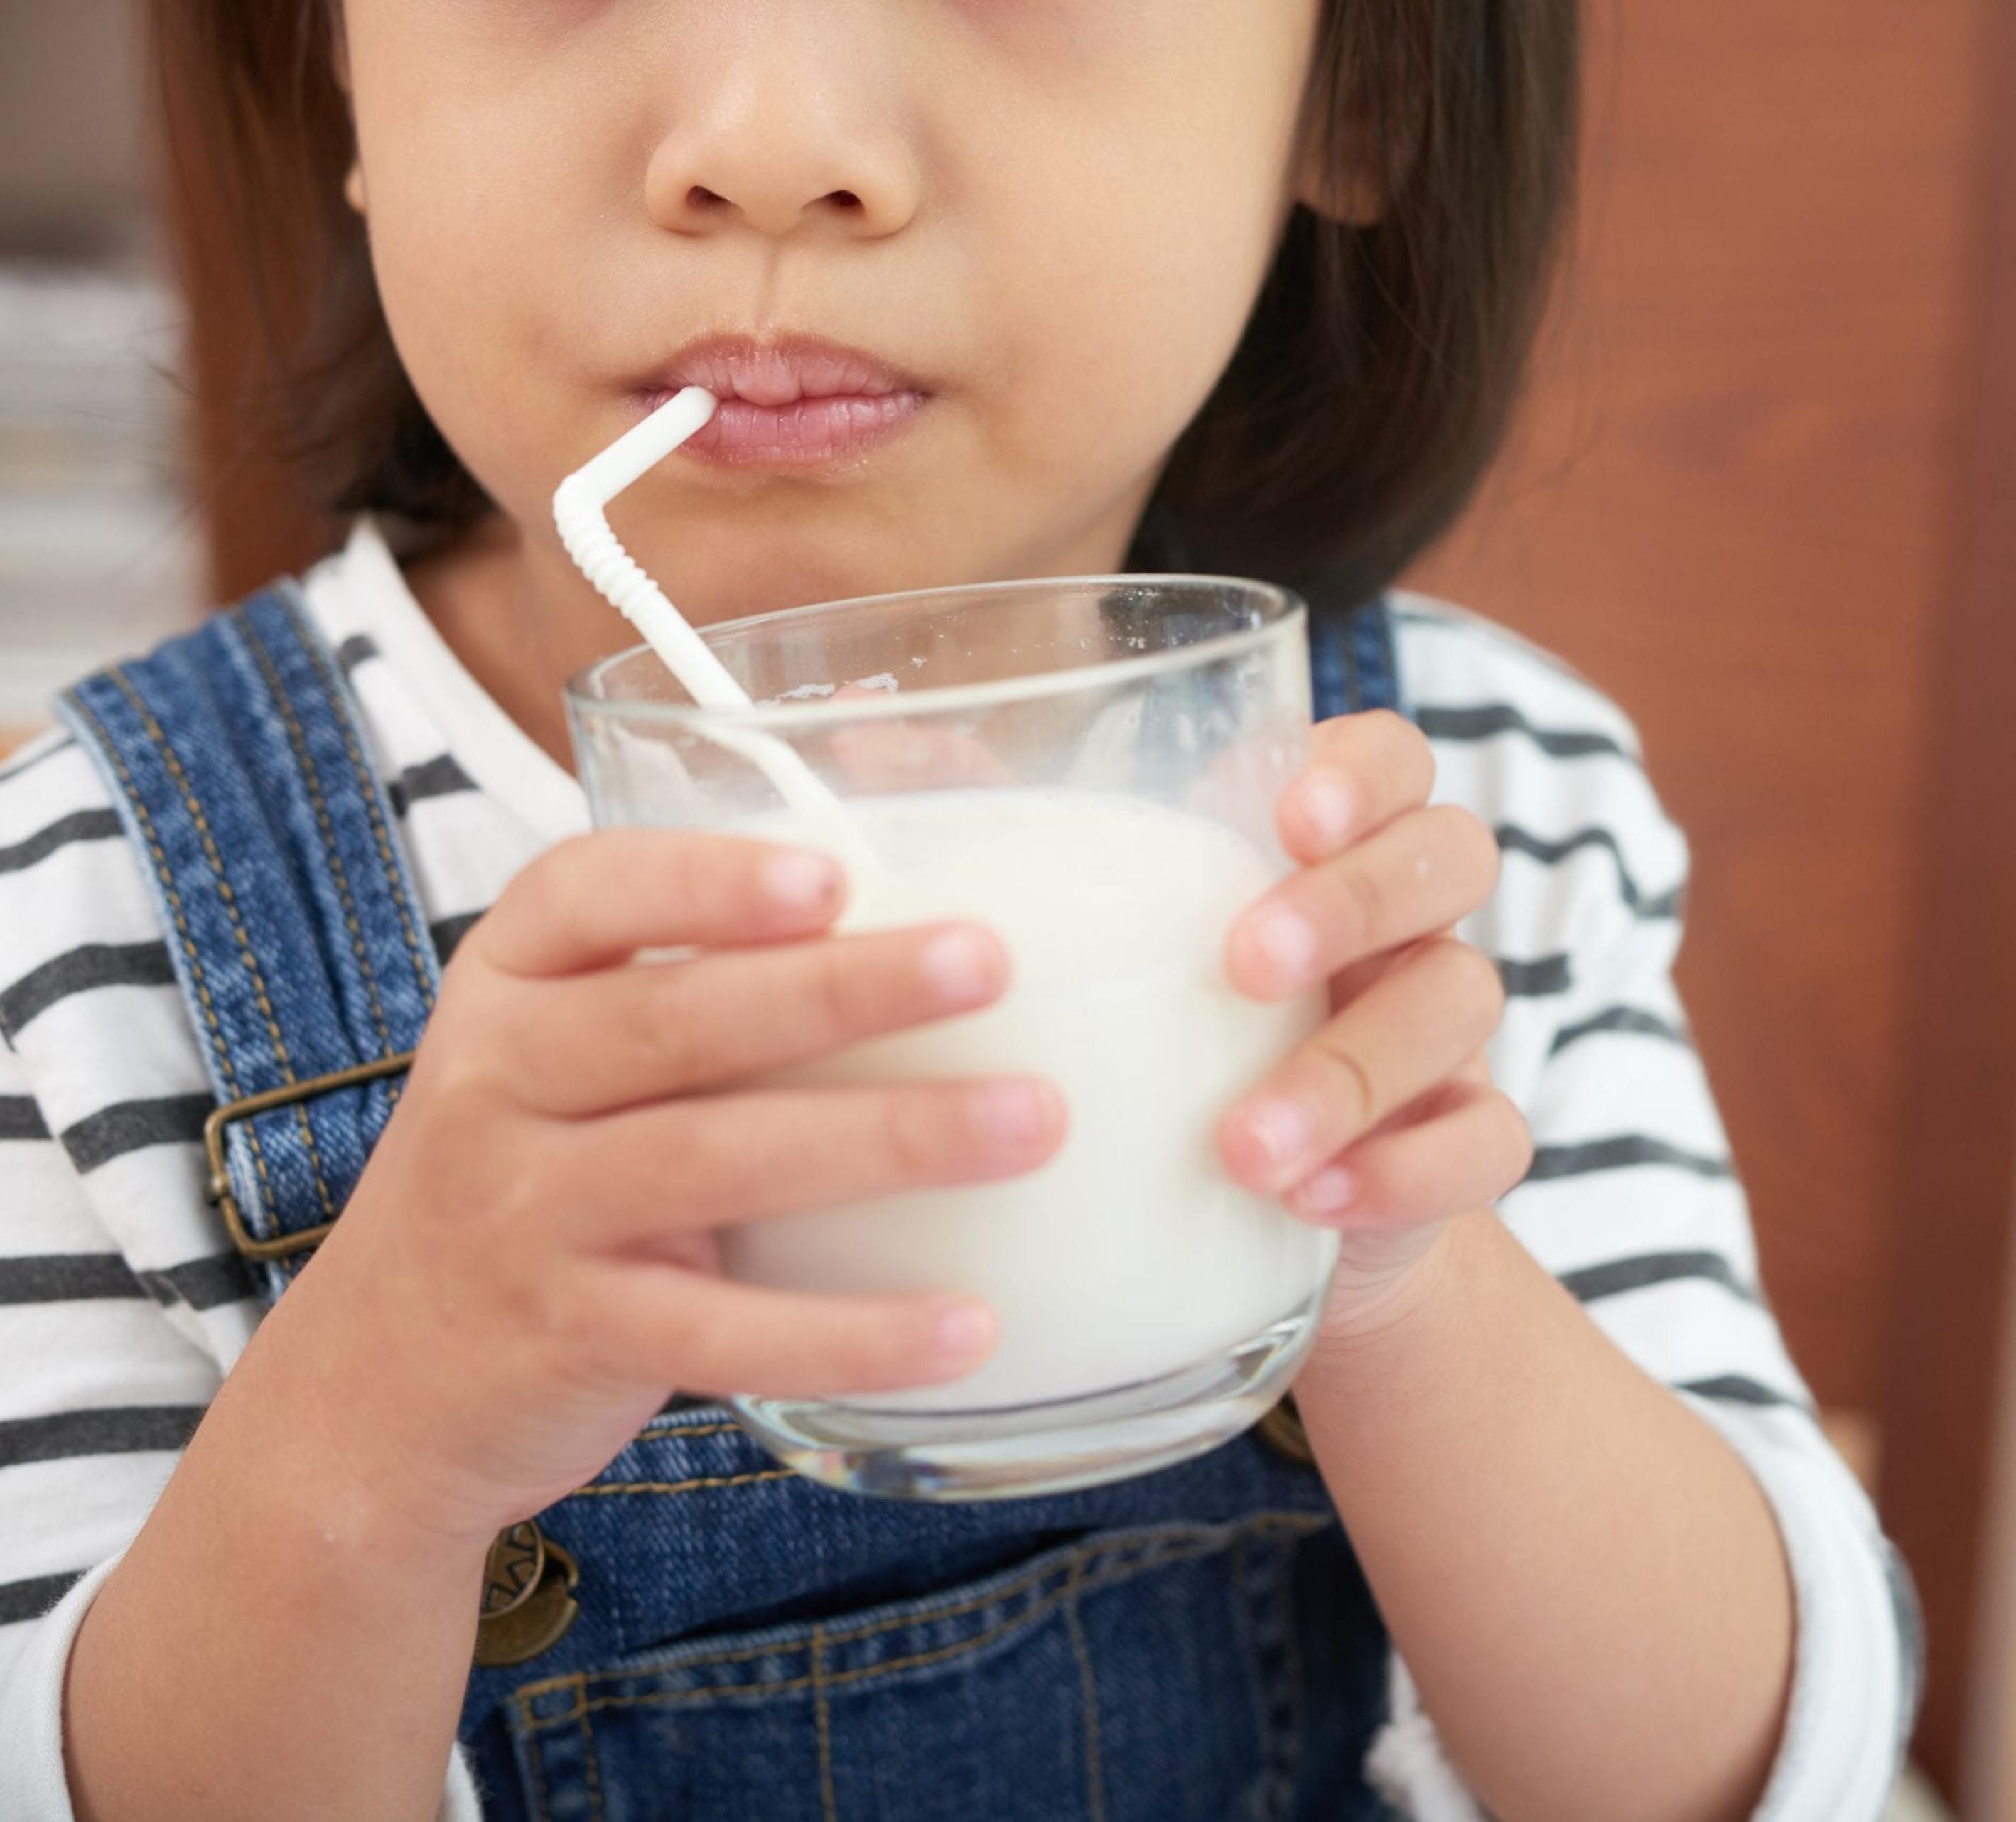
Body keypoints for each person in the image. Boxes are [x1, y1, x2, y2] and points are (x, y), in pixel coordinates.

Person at [0, 3, 1914, 1818]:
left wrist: (1406, 1283)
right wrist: (371, 1440)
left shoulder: (1461, 820)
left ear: (1364, 89)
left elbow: (1758, 1761)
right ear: (338, 56)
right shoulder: (95, 912)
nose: (771, 150)